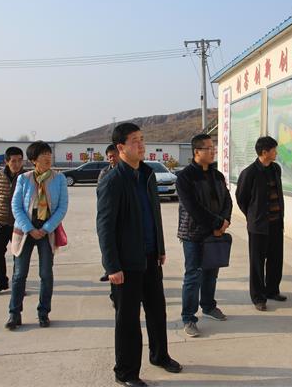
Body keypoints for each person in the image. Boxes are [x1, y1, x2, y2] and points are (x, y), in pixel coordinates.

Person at [97, 123, 182, 387]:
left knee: (157, 311)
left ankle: (160, 355)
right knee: (128, 320)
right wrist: (112, 266)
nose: (141, 144)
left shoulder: (146, 174)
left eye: (142, 139)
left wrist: (160, 248)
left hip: (150, 257)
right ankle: (125, 372)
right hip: (126, 264)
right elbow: (105, 227)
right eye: (135, 140)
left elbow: (154, 214)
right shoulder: (113, 181)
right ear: (121, 147)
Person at [5, 141, 68, 329]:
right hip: (25, 229)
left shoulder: (59, 179)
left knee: (46, 274)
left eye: (49, 154)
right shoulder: (24, 179)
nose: (48, 157)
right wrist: (29, 228)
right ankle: (14, 314)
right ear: (33, 160)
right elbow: (16, 206)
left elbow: (62, 207)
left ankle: (43, 312)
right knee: (19, 274)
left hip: (46, 230)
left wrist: (46, 228)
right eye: (43, 155)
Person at [176, 133, 232, 337]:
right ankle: (189, 318)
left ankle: (208, 306)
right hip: (193, 234)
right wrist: (216, 224)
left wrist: (224, 221)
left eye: (213, 147)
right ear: (196, 152)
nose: (212, 151)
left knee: (211, 273)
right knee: (193, 275)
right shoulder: (185, 177)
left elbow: (227, 200)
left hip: (216, 232)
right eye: (208, 148)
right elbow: (193, 208)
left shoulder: (217, 175)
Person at [235, 136, 286, 311]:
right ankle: (258, 297)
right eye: (274, 150)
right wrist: (252, 216)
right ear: (264, 152)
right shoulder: (249, 173)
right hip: (258, 226)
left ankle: (272, 290)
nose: (276, 152)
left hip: (276, 223)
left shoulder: (276, 169)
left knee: (276, 259)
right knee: (257, 262)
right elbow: (241, 198)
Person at [0, 146, 25, 296]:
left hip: (19, 223)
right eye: (13, 161)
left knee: (19, 256)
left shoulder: (27, 177)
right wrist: (0, 208)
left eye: (20, 160)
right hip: (0, 221)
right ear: (6, 161)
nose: (17, 164)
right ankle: (1, 282)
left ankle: (18, 285)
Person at [98, 144, 120, 287]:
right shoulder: (104, 172)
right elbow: (100, 191)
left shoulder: (126, 171)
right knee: (107, 243)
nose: (112, 159)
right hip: (108, 211)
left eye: (114, 156)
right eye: (109, 157)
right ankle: (108, 269)